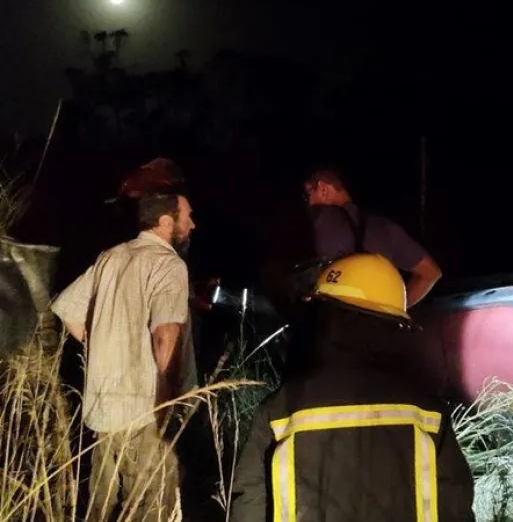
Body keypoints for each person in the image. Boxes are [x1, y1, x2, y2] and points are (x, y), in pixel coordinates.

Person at [229, 252, 476, 522]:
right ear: (394, 326)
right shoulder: (428, 413)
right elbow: (455, 507)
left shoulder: (280, 409)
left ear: (325, 318)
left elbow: (249, 504)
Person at [51, 191, 197, 521]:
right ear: (165, 222)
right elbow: (165, 335)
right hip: (142, 408)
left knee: (100, 505)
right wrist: (167, 400)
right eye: (187, 216)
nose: (192, 224)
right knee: (153, 503)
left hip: (103, 406)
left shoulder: (112, 257)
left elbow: (67, 309)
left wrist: (102, 344)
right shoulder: (169, 263)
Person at [302, 165, 442, 307]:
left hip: (338, 323)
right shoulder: (385, 228)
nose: (308, 203)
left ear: (322, 189)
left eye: (307, 196)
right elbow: (431, 273)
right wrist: (398, 308)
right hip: (379, 325)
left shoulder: (320, 219)